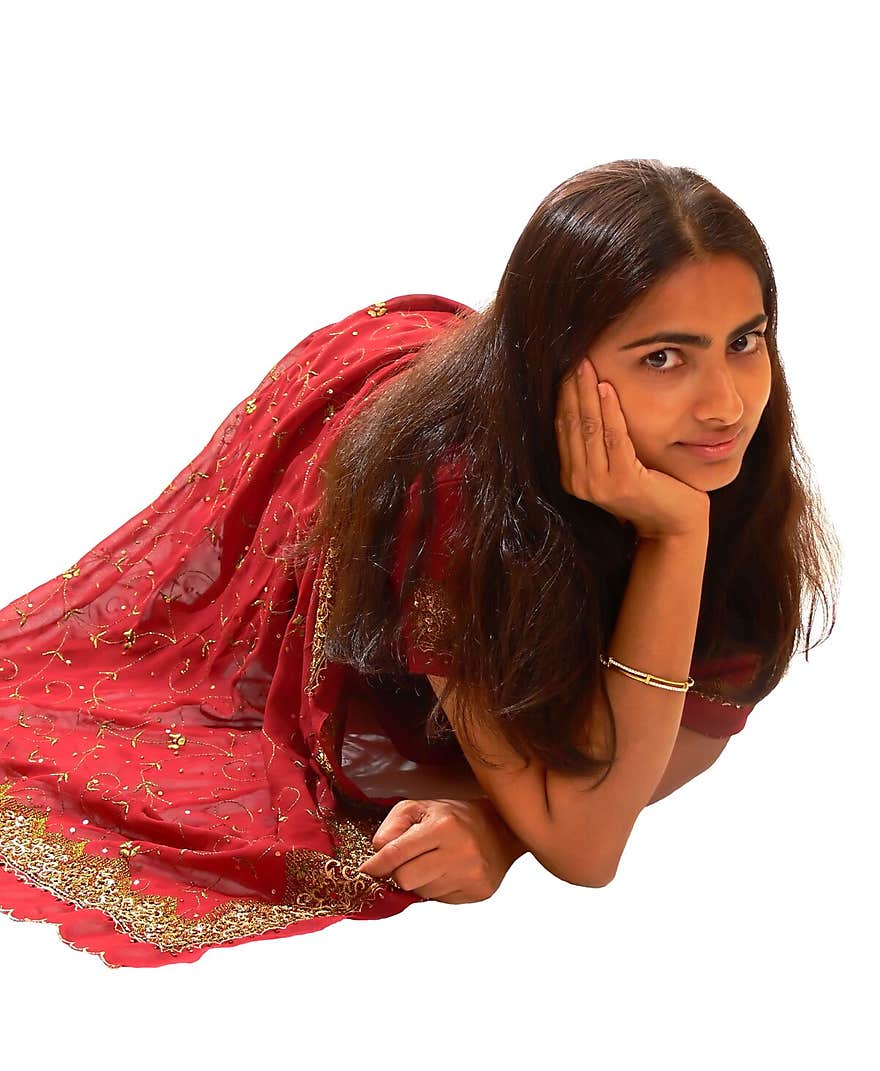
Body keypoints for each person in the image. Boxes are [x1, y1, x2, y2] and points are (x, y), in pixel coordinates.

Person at [0, 158, 839, 967]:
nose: (728, 403)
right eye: (664, 356)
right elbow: (587, 847)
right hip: (357, 429)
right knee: (154, 665)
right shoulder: (454, 496)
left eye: (745, 340)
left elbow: (676, 738)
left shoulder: (724, 464)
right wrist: (673, 540)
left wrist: (503, 829)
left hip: (491, 394)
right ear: (556, 371)